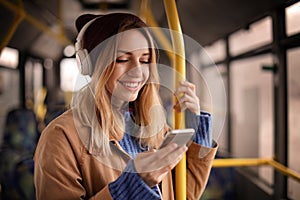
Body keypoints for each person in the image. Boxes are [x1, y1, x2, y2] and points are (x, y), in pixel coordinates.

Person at [34, 12, 218, 200]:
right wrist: (133, 184)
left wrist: (198, 124)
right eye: (122, 59)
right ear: (91, 64)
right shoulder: (61, 137)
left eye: (145, 60)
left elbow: (185, 195)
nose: (137, 71)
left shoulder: (154, 127)